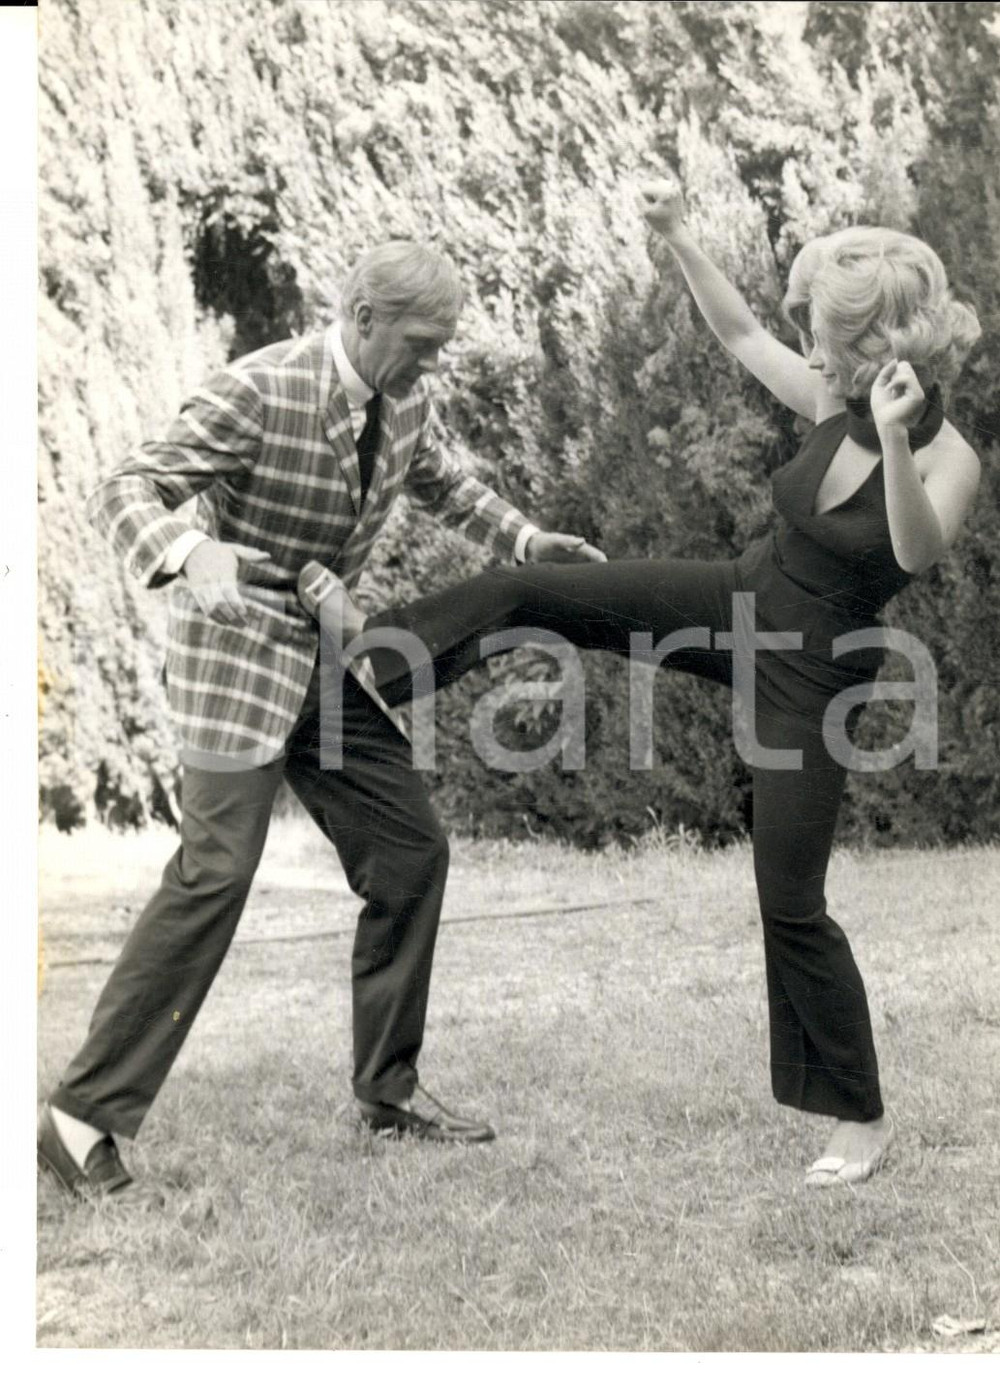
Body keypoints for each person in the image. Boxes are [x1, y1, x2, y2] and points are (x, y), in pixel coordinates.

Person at [296, 184, 982, 1187]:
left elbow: (916, 549)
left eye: (832, 343)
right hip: (741, 600)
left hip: (812, 675)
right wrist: (675, 238)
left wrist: (887, 439)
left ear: (883, 345)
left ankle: (857, 1121)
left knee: (789, 900)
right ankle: (378, 669)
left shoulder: (948, 452)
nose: (817, 358)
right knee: (540, 588)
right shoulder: (835, 394)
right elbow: (743, 334)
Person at [38, 241, 606, 1200]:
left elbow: (444, 485)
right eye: (420, 343)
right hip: (235, 657)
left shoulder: (407, 395)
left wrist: (522, 538)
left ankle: (388, 1095)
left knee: (411, 851)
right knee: (214, 874)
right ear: (361, 315)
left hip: (324, 662)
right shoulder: (261, 390)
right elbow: (128, 486)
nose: (431, 364)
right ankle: (77, 1119)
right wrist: (187, 552)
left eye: (442, 347)